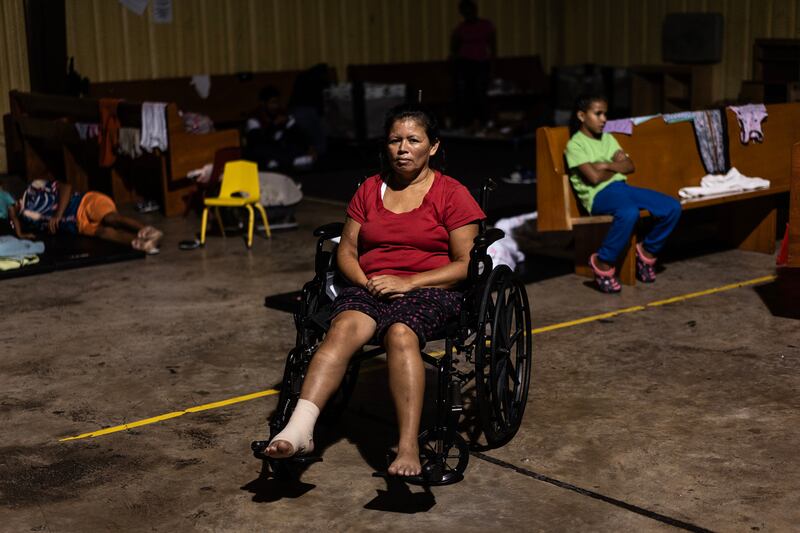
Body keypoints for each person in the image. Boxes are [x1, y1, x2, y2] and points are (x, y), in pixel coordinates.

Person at [264, 104, 485, 477]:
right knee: (344, 328)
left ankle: (408, 445)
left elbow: (466, 264)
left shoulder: (452, 193)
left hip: (432, 286)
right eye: (395, 140)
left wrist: (409, 282)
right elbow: (347, 250)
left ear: (432, 147)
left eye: (413, 140)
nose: (402, 148)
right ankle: (300, 430)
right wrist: (367, 282)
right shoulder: (369, 189)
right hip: (371, 283)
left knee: (400, 333)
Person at [565, 94, 681, 293]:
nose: (604, 119)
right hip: (598, 196)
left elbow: (630, 166)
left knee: (672, 207)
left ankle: (646, 252)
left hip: (622, 189)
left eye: (605, 114)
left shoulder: (608, 138)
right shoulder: (575, 145)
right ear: (582, 116)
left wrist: (605, 165)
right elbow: (593, 178)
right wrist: (616, 167)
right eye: (598, 114)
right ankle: (603, 262)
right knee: (629, 213)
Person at [13, 178, 163, 254]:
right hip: (78, 225)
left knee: (110, 218)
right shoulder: (25, 215)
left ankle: (149, 232)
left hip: (84, 202)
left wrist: (58, 215)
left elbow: (66, 187)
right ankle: (142, 244)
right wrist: (20, 233)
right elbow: (11, 211)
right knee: (103, 232)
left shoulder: (34, 187)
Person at [244, 85, 316, 172]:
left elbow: (298, 133)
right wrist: (273, 125)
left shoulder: (282, 113)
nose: (276, 106)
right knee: (260, 150)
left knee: (294, 144)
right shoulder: (254, 118)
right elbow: (258, 141)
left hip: (280, 149)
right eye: (272, 103)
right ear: (263, 104)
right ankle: (291, 161)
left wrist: (310, 147)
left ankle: (281, 161)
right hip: (264, 150)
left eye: (277, 102)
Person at [451, 0, 496, 131]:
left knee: (481, 93)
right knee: (467, 94)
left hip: (482, 63)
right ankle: (467, 122)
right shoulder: (460, 28)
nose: (468, 13)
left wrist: (493, 65)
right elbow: (454, 48)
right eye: (465, 11)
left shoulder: (486, 25)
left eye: (470, 10)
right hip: (465, 64)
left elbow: (492, 46)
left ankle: (483, 121)